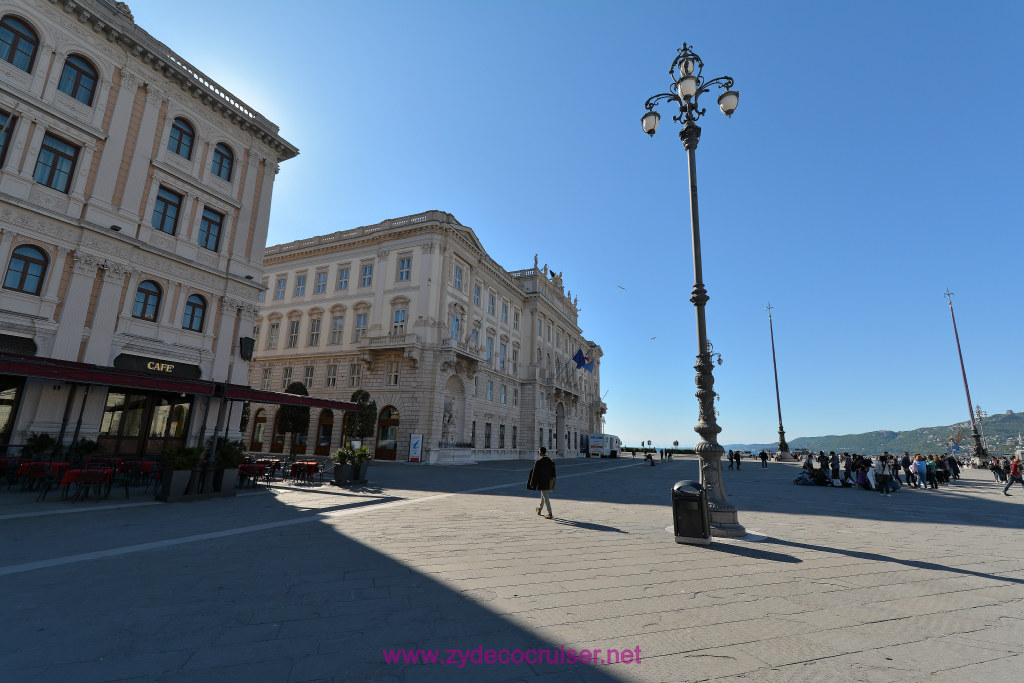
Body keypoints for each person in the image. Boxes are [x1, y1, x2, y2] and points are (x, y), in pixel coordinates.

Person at [527, 447, 556, 519]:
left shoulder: (538, 461)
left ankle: (550, 513)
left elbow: (534, 474)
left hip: (541, 481)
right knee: (543, 493)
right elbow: (553, 472)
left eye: (539, 451)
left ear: (540, 452)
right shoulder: (550, 460)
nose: (538, 452)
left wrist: (532, 484)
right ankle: (539, 509)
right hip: (548, 481)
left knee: (545, 495)